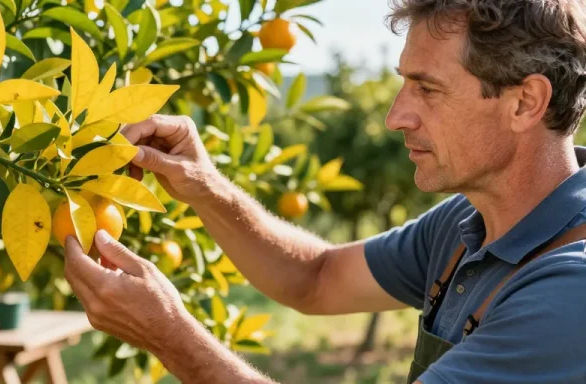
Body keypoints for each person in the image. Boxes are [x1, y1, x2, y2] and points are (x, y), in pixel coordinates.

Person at [62, 0, 586, 382]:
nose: (395, 116)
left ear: (525, 103)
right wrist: (205, 187)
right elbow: (316, 278)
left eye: (427, 89)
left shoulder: (568, 293)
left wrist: (170, 334)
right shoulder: (464, 225)